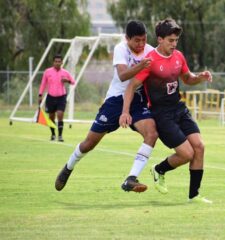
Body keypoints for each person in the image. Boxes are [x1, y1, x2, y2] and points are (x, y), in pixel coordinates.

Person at [54, 20, 158, 193]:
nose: (141, 44)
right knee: (89, 143)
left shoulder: (150, 51)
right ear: (127, 39)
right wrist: (141, 65)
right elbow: (123, 75)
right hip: (115, 100)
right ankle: (68, 167)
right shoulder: (120, 49)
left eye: (144, 40)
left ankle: (131, 179)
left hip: (138, 100)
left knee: (152, 133)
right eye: (137, 41)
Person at [119, 18, 213, 203]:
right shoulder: (150, 61)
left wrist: (200, 77)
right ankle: (159, 169)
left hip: (179, 108)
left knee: (199, 147)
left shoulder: (178, 56)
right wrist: (125, 111)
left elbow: (187, 78)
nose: (174, 44)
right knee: (187, 154)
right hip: (161, 114)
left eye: (176, 40)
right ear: (160, 39)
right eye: (170, 40)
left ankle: (194, 196)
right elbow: (131, 86)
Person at [39, 54, 76, 142]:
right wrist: (40, 95)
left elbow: (73, 82)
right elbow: (43, 83)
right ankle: (53, 134)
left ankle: (60, 135)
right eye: (56, 61)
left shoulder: (65, 72)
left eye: (59, 62)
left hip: (61, 97)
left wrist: (67, 81)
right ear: (53, 62)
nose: (57, 63)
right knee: (51, 116)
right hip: (50, 97)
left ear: (62, 62)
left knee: (60, 114)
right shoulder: (47, 72)